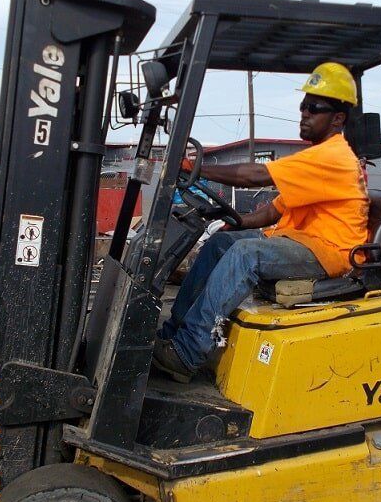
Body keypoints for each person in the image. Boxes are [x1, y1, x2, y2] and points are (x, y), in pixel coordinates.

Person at [153, 62, 369, 382]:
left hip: (329, 253)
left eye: (314, 107)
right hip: (299, 241)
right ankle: (174, 335)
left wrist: (194, 167)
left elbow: (256, 175)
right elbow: (273, 212)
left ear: (338, 118)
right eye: (302, 107)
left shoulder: (333, 157)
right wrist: (235, 221)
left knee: (246, 254)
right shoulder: (317, 159)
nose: (304, 114)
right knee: (221, 244)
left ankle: (188, 353)